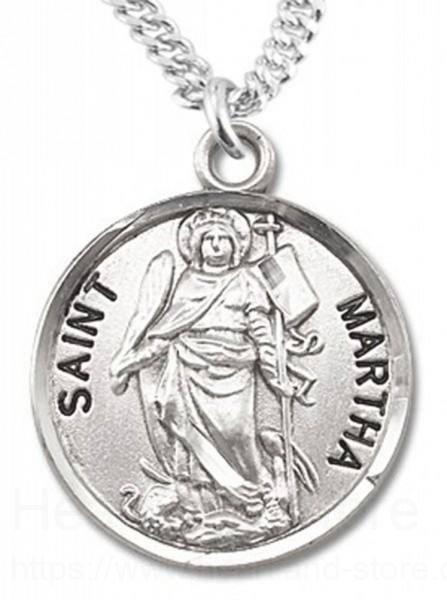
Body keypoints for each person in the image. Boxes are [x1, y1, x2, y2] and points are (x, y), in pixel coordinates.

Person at [111, 208, 296, 523]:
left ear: (236, 247)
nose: (217, 245)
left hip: (235, 366)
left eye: (224, 238)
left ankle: (260, 495)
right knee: (194, 441)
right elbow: (168, 331)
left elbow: (261, 330)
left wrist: (274, 373)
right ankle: (203, 509)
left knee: (239, 435)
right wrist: (130, 362)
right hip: (190, 366)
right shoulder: (188, 281)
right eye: (209, 239)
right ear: (197, 246)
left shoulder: (246, 279)